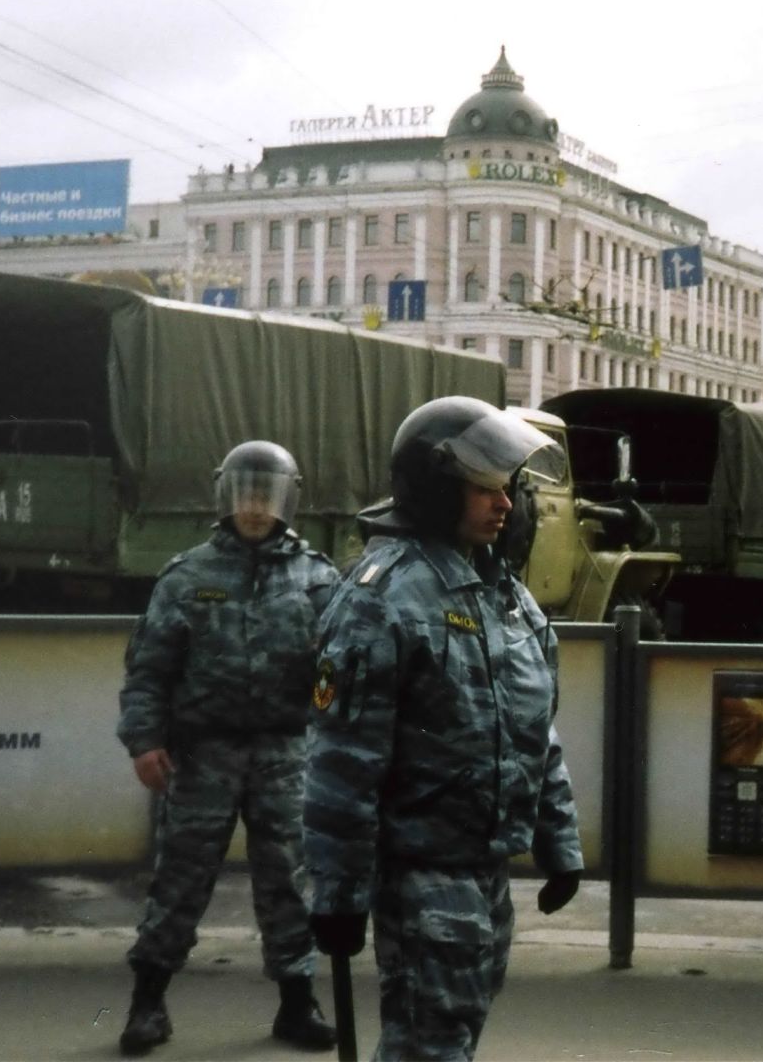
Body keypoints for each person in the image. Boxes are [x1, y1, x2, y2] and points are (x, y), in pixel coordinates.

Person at [304, 396, 584, 1060]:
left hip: (484, 865)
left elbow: (533, 725)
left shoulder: (501, 592)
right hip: (420, 867)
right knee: (433, 1037)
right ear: (435, 487)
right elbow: (343, 758)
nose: (505, 503)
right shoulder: (384, 595)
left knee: (452, 1025)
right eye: (483, 486)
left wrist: (559, 839)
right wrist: (338, 891)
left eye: (505, 486)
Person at [116, 440, 341, 1056]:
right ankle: (147, 1006)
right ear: (226, 493)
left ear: (286, 498)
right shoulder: (188, 576)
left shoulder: (318, 579)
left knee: (289, 884)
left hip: (286, 757)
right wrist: (144, 741)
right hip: (203, 755)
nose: (254, 506)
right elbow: (148, 671)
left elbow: (341, 675)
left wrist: (338, 743)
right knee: (181, 879)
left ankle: (298, 1005)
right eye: (245, 491)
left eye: (266, 493)